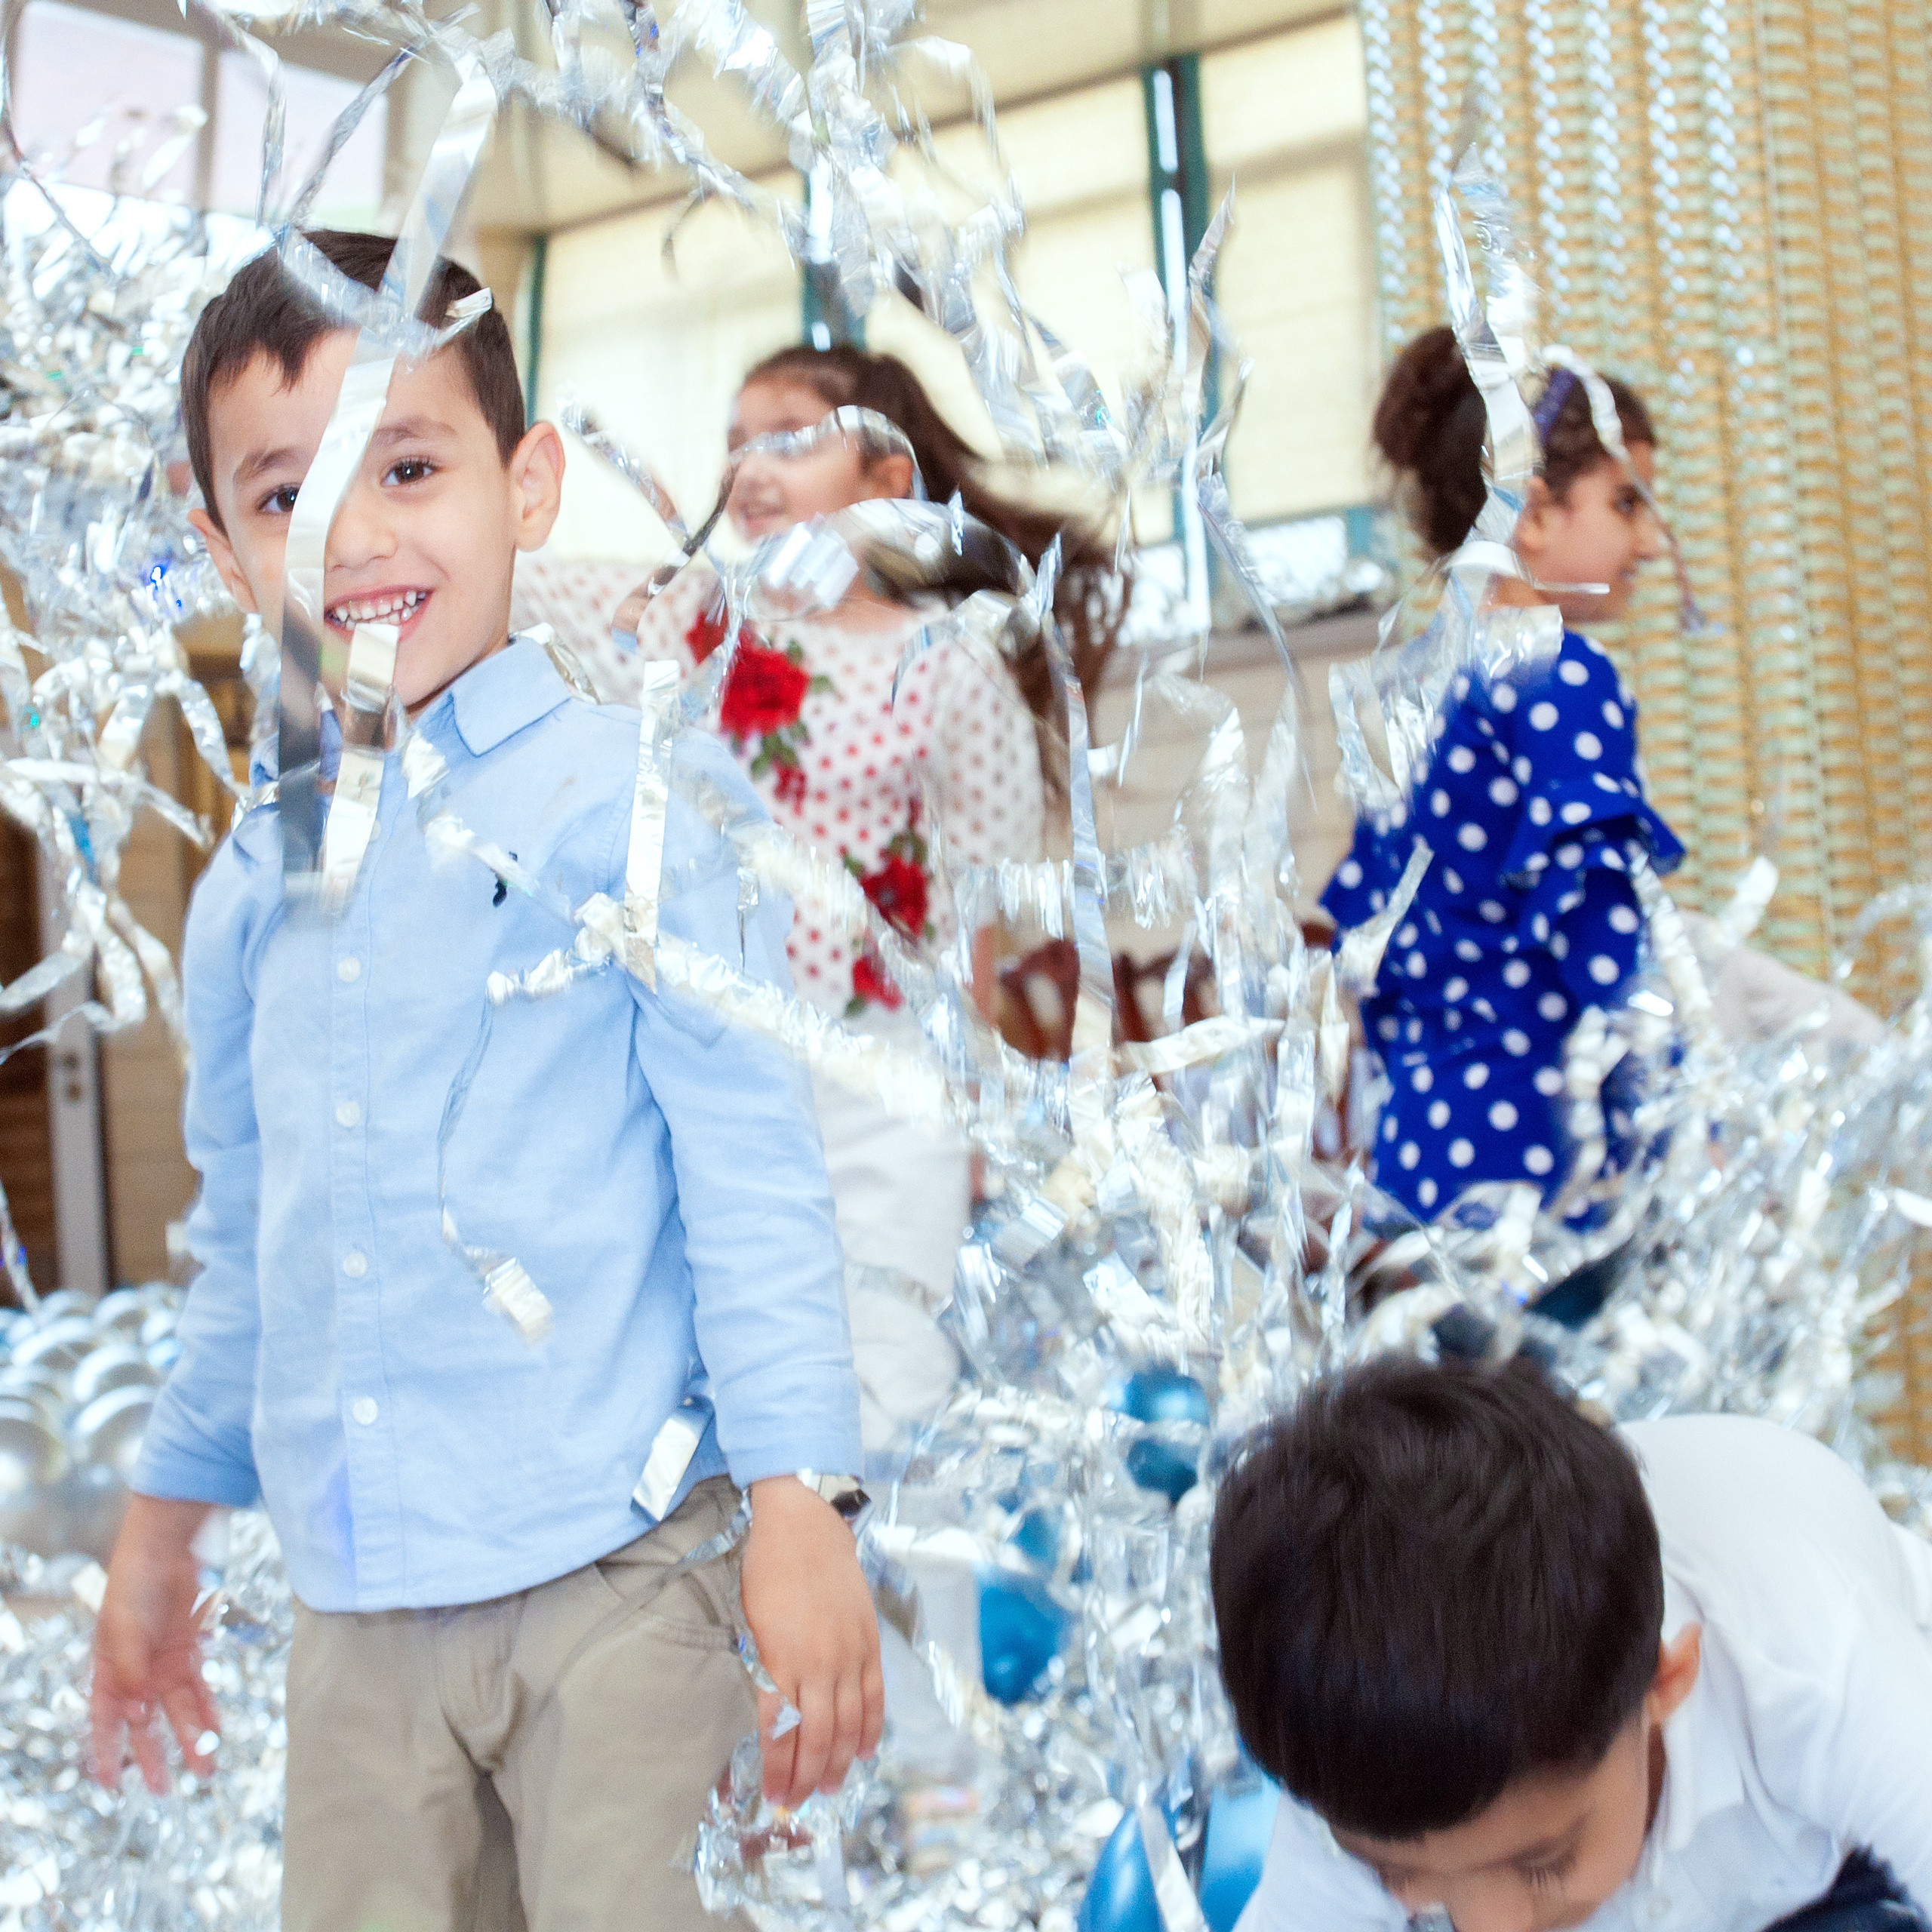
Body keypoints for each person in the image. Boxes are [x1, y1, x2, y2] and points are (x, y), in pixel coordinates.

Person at [88, 229, 881, 1932]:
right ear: (224, 541)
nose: (356, 534)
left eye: (412, 464)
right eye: (287, 491)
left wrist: (801, 1494)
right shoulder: (247, 893)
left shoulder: (631, 805)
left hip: (621, 1577)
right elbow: (251, 1242)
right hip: (358, 1607)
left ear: (525, 485)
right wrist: (162, 1519)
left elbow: (748, 1172)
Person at [598, 344, 1121, 1451]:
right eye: (736, 438)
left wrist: (974, 1112)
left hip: (889, 1088)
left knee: (889, 1406)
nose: (750, 461)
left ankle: (894, 1621)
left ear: (888, 484)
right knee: (732, 1411)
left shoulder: (947, 663)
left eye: (789, 436)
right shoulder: (683, 625)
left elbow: (971, 920)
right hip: (713, 1075)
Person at [1211, 1355, 1932, 1932]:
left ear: (1664, 1682)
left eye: (1542, 1865)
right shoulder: (1366, 1768)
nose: (1489, 1926)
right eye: (1404, 1877)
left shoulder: (1813, 1668)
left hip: (1842, 1869)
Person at [1323, 328, 1684, 1244]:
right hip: (1546, 1171)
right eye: (1627, 502)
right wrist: (1683, 1129)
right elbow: (1604, 936)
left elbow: (1373, 963)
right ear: (1531, 512)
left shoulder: (1412, 689)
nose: (1650, 540)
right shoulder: (1560, 675)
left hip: (1422, 1163)